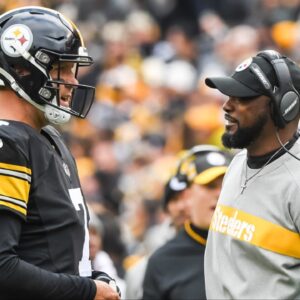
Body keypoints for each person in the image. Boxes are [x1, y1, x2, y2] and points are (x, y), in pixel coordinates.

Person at [0, 6, 120, 300]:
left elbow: (50, 250)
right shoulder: (7, 143)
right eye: (62, 68)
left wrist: (93, 277)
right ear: (23, 68)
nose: (73, 81)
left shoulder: (48, 137)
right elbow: (2, 266)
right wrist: (87, 291)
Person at [204, 49, 300, 299]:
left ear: (283, 106)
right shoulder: (237, 164)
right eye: (229, 95)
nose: (227, 105)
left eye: (242, 97)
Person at [143, 145, 232, 300]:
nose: (219, 193)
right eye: (210, 186)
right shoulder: (163, 261)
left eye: (226, 185)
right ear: (187, 196)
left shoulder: (252, 246)